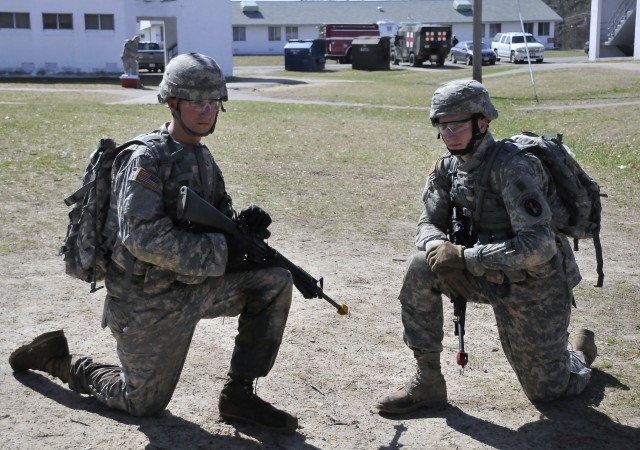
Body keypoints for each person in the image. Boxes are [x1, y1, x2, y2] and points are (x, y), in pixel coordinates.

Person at [9, 53, 298, 431]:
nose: (206, 110)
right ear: (172, 102)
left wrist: (243, 228)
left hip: (194, 287)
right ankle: (57, 360)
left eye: (212, 102)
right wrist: (223, 251)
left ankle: (239, 396)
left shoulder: (203, 158)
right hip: (145, 301)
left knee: (275, 281)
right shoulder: (146, 159)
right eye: (196, 101)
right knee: (140, 403)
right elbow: (142, 238)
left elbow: (214, 220)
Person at [375, 79, 597, 414]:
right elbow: (427, 222)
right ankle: (428, 382)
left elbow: (538, 244)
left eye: (457, 125)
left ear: (482, 122)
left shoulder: (514, 167)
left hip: (533, 284)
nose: (449, 134)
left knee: (548, 393)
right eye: (442, 125)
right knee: (420, 266)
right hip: (479, 274)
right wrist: (439, 249)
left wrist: (465, 256)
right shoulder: (447, 169)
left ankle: (579, 354)